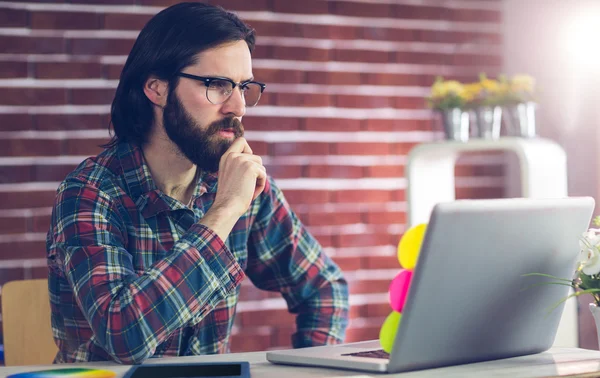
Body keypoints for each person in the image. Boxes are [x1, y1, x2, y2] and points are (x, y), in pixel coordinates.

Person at [46, 2, 349, 364]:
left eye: (244, 87)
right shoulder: (89, 193)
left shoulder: (243, 186)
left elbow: (325, 289)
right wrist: (225, 211)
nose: (238, 106)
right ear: (157, 89)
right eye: (217, 85)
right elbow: (124, 334)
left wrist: (311, 371)